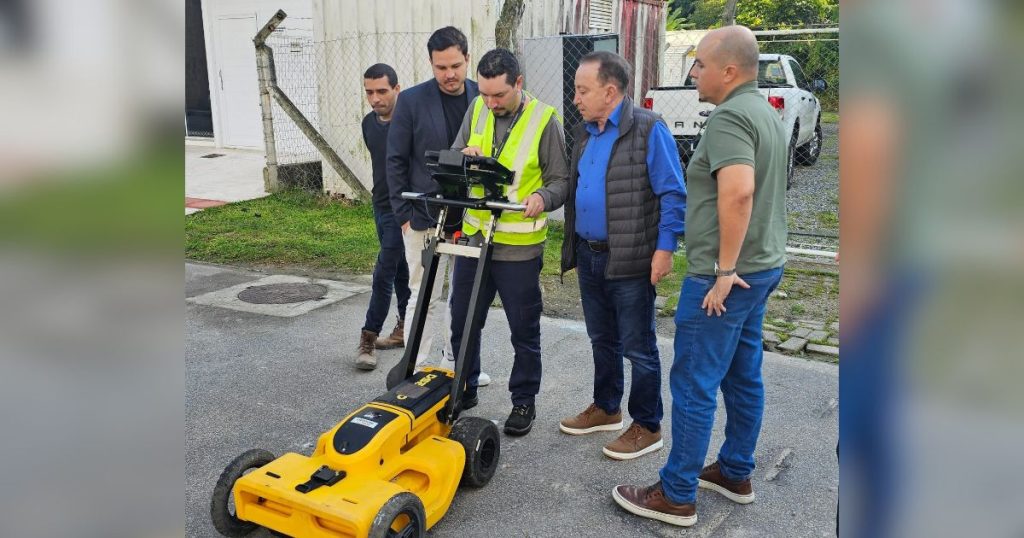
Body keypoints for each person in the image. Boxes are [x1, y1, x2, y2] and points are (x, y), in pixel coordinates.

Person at [611, 25, 787, 527]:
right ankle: (734, 471)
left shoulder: (731, 118)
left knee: (692, 381)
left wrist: (724, 271)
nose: (692, 72)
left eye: (700, 64)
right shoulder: (764, 111)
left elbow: (737, 193)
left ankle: (677, 493)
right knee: (741, 373)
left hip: (727, 278)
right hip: (763, 267)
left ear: (729, 71)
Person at [552, 51, 686, 459]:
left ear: (610, 91)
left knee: (638, 345)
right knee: (602, 339)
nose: (575, 98)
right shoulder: (585, 131)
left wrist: (665, 249)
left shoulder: (648, 129)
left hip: (631, 259)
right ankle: (607, 408)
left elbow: (673, 193)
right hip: (590, 256)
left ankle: (647, 424)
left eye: (582, 90)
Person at [448, 48, 568, 436]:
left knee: (523, 328)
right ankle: (464, 387)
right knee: (464, 320)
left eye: (498, 95)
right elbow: (453, 154)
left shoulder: (544, 120)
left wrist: (543, 199)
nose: (490, 102)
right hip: (475, 236)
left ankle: (523, 400)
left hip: (518, 245)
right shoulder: (478, 109)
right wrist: (463, 157)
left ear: (519, 83)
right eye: (484, 93)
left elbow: (561, 181)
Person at [386, 26, 491, 385]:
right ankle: (413, 365)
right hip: (423, 215)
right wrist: (402, 215)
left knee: (462, 296)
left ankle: (456, 364)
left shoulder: (483, 97)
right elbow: (395, 161)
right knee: (424, 291)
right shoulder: (412, 101)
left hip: (471, 215)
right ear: (431, 65)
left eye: (456, 66)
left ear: (467, 58)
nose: (450, 74)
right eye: (441, 67)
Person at [353, 64, 411, 370]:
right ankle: (403, 328)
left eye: (382, 91)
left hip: (401, 210)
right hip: (379, 205)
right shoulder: (368, 124)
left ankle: (368, 337)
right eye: (369, 92)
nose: (375, 99)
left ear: (397, 89)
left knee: (384, 270)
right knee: (399, 268)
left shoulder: (409, 123)